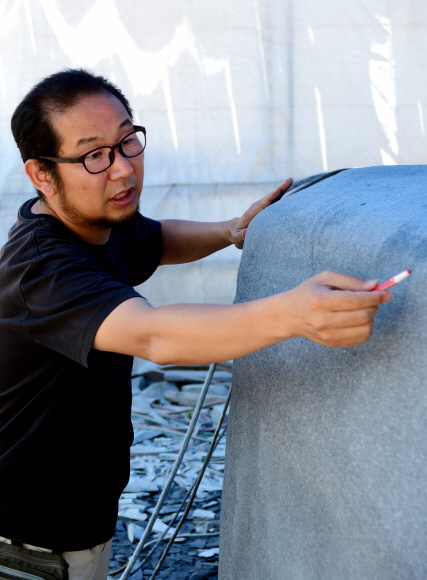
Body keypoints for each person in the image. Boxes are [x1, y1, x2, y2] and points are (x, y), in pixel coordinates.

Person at [0, 69, 391, 580]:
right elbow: (154, 334)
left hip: (78, 528)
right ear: (42, 174)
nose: (122, 170)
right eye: (94, 155)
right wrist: (293, 314)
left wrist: (230, 231)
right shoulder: (42, 269)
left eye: (127, 141)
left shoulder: (93, 219)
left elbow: (156, 239)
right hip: (28, 551)